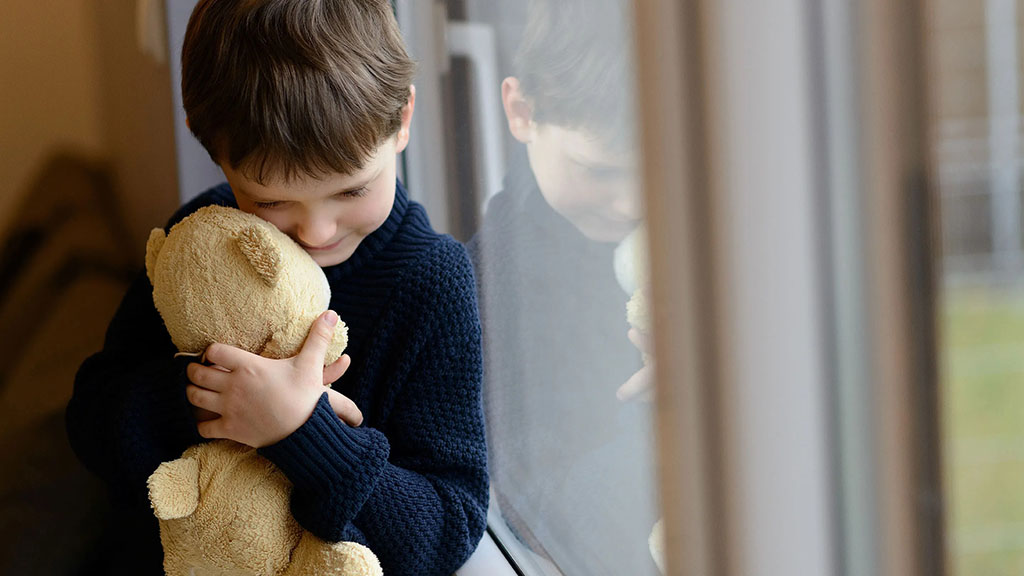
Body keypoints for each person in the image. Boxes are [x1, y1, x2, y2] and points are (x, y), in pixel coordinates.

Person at [65, 1, 487, 574]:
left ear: (403, 119)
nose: (317, 232)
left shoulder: (431, 282)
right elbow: (91, 423)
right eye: (271, 202)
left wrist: (301, 429)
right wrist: (207, 398)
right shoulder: (202, 243)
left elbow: (448, 524)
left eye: (352, 191)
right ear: (210, 145)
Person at [466, 0, 659, 574]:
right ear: (520, 111)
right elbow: (561, 528)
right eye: (600, 171)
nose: (633, 203)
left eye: (652, 170)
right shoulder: (496, 296)